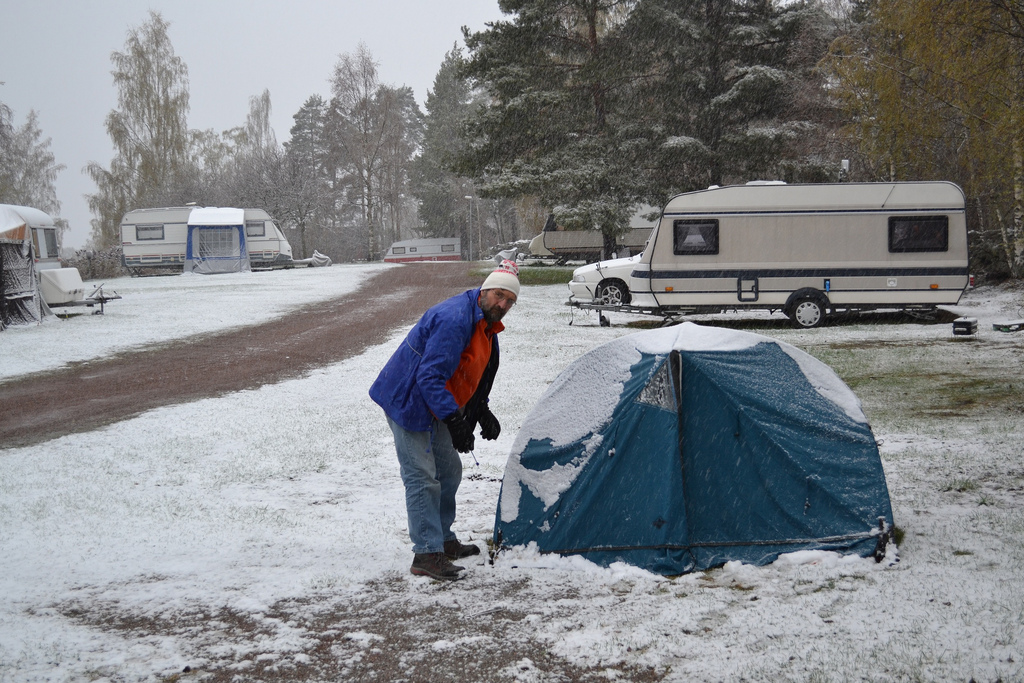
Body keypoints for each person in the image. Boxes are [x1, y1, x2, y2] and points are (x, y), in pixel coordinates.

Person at [369, 260, 520, 580]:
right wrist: (454, 420)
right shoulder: (455, 319)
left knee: (449, 470)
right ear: (485, 290)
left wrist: (481, 410)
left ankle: (442, 539)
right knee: (422, 476)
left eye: (510, 300)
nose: (503, 305)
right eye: (499, 295)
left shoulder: (486, 323)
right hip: (408, 399)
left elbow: (472, 372)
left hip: (435, 402)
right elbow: (429, 377)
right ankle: (426, 553)